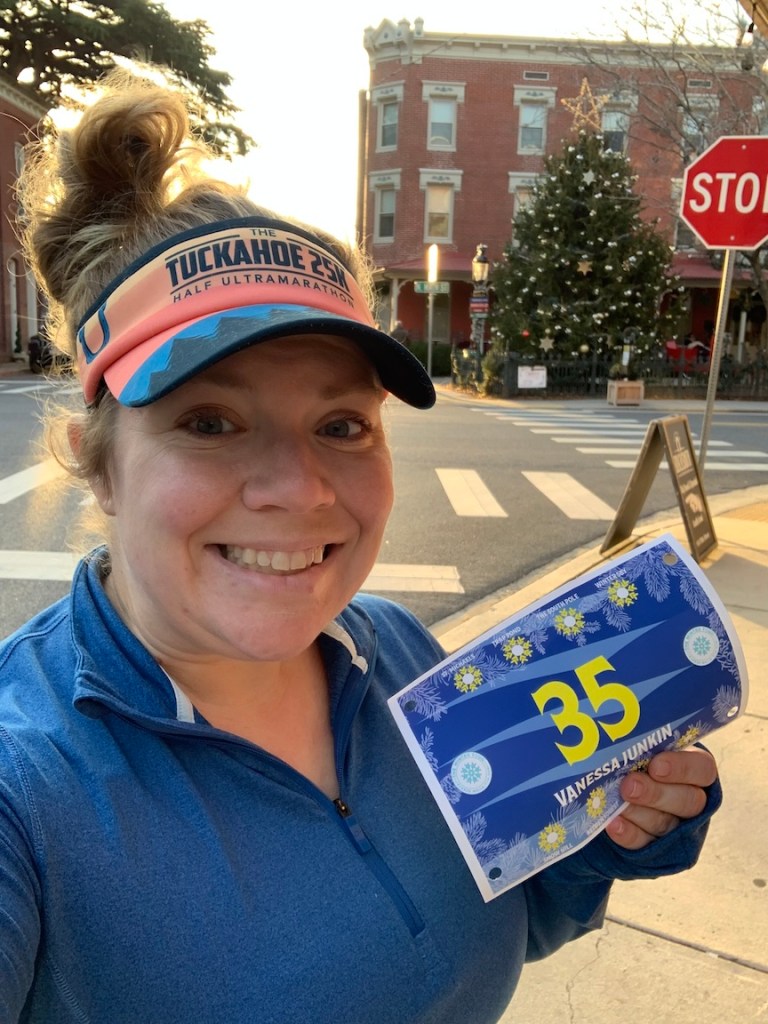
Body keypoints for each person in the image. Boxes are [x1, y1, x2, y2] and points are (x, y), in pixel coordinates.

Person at [1, 69, 720, 1023]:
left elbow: (507, 921)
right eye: (210, 423)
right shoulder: (25, 780)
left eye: (342, 426)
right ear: (99, 465)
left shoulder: (399, 655)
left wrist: (608, 828)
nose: (300, 488)